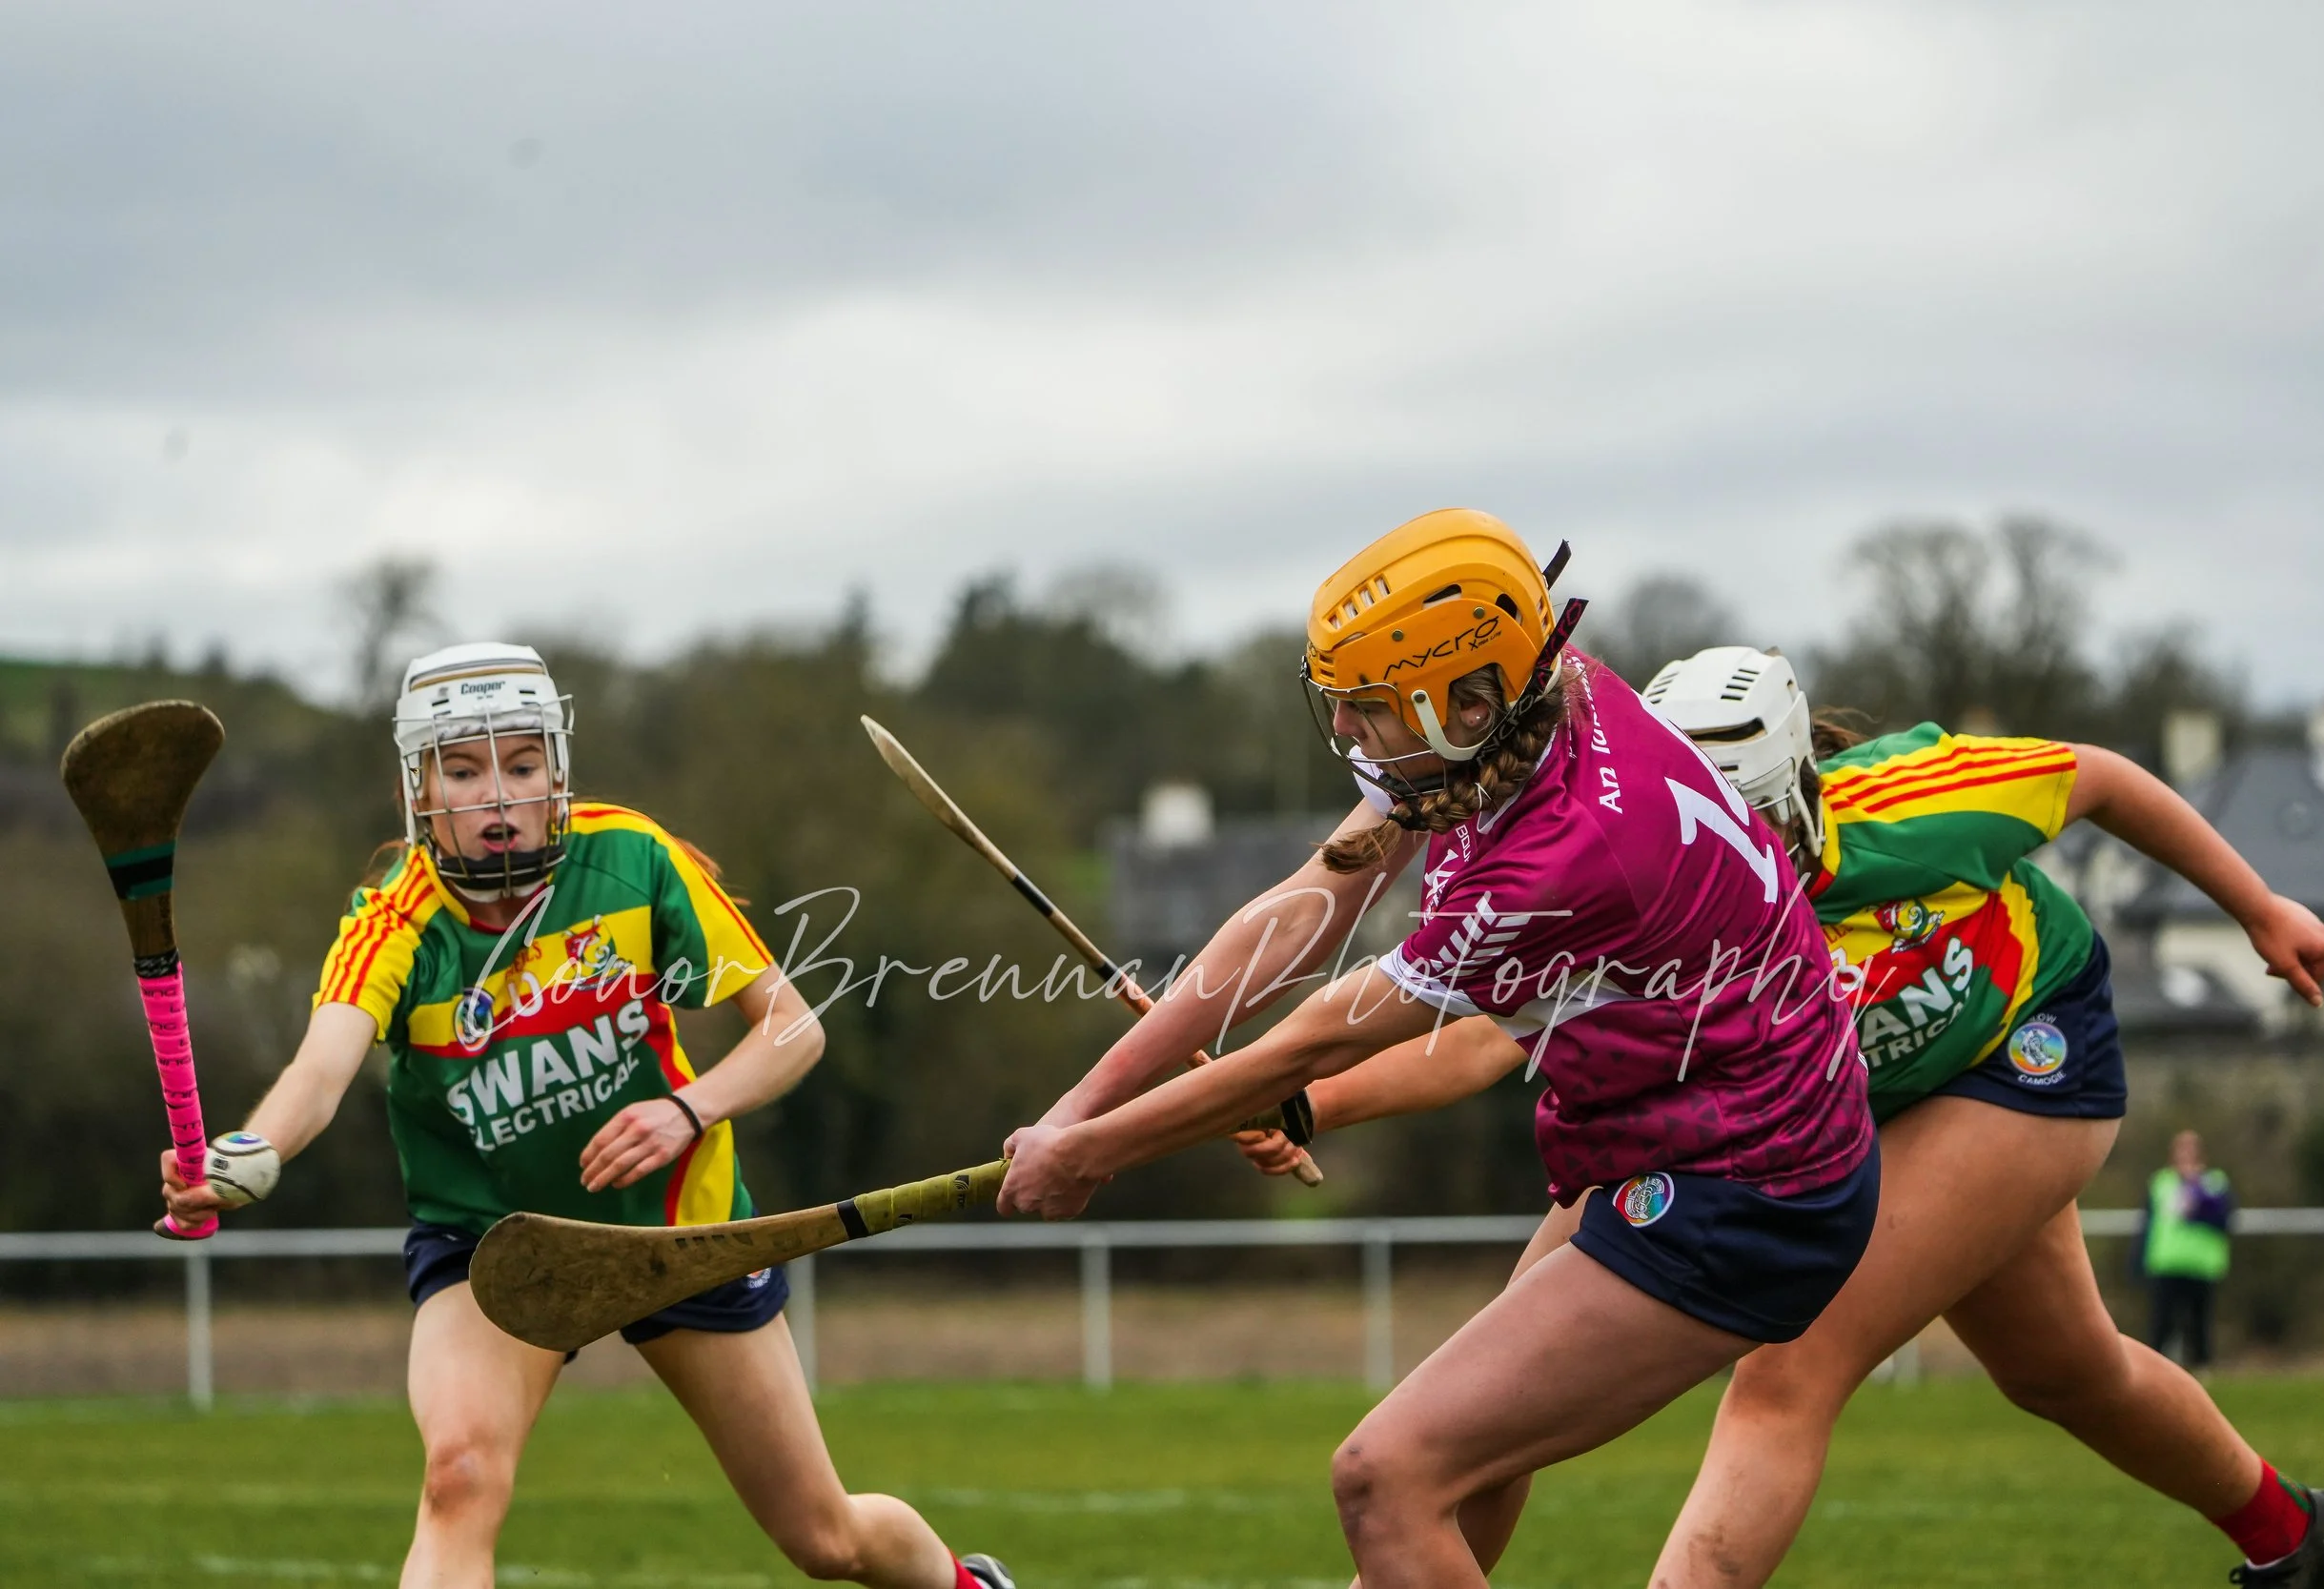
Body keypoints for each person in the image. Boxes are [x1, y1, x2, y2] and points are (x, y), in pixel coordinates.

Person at [1240, 643, 2324, 1588]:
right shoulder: (1636, 882)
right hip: (1819, 1109)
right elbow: (1485, 1035)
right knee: (2064, 1371)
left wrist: (2259, 908)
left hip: (2018, 1054)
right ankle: (2293, 1533)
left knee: (1793, 1363)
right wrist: (1307, 1099)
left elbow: (2103, 777)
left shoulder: (1915, 803)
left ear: (1795, 794)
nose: (1703, 852)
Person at [1000, 511, 1880, 1589]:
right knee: (1457, 1471)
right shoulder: (1537, 707)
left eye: (1370, 707)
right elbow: (1309, 905)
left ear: (1467, 701)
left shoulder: (1559, 858)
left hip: (1748, 1188)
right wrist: (1076, 1109)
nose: (1348, 731)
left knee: (1386, 1475)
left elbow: (1308, 1042)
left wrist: (1090, 1155)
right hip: (1678, 1137)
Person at [160, 642, 1012, 1589]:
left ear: (558, 769)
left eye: (522, 765)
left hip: (680, 1230)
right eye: (463, 770)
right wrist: (250, 1151)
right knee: (458, 1477)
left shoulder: (632, 857)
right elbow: (320, 1070)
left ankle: (965, 1583)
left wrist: (687, 1109)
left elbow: (793, 1027)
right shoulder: (393, 925)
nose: (497, 796)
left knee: (826, 1538)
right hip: (498, 1244)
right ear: (418, 788)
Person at [2144, 1129, 2235, 1370]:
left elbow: (2224, 1219)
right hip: (2166, 1262)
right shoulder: (2161, 1182)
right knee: (2162, 1322)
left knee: (2199, 1323)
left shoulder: (2214, 1182)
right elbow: (2148, 1223)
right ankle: (2155, 1371)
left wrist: (2198, 1204)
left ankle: (2202, 1369)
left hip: (2201, 1263)